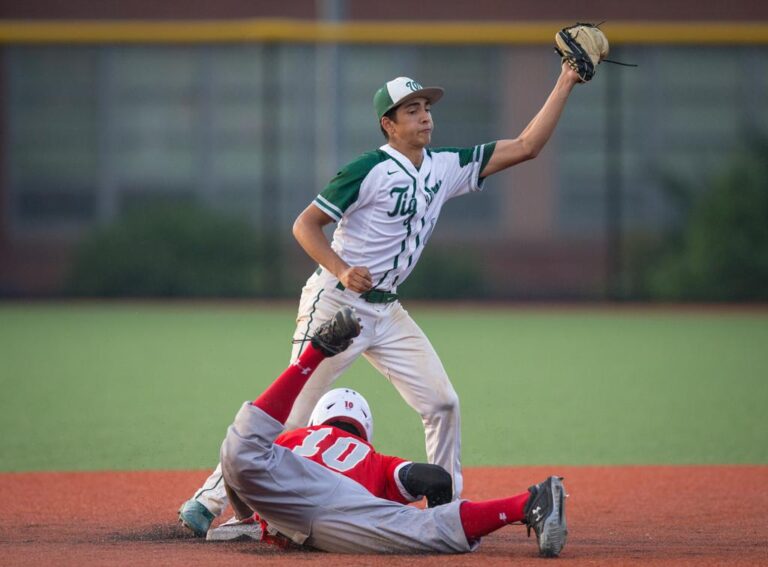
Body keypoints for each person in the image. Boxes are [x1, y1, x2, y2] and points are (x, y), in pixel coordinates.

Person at [179, 62, 583, 534]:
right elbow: (304, 225)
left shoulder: (445, 166)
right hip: (336, 306)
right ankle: (207, 501)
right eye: (411, 110)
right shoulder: (366, 169)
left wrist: (566, 79)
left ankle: (444, 512)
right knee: (293, 415)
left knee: (443, 403)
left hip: (387, 310)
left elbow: (527, 146)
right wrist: (341, 269)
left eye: (426, 107)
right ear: (388, 124)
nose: (425, 116)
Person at [212, 306, 568, 556]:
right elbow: (435, 478)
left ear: (317, 421)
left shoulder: (292, 439)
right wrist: (433, 513)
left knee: (239, 450)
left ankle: (313, 355)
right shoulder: (374, 459)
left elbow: (235, 474)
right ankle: (527, 502)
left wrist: (251, 517)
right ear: (365, 430)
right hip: (338, 506)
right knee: (428, 532)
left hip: (288, 482)